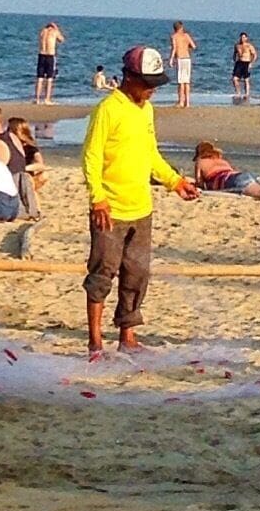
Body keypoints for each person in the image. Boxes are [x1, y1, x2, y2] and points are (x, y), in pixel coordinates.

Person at [79, 45, 199, 358]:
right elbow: (91, 156)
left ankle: (127, 336)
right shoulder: (108, 109)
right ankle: (95, 343)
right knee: (102, 274)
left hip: (141, 208)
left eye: (155, 85)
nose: (151, 91)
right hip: (110, 209)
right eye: (147, 84)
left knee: (137, 274)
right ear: (129, 77)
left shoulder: (146, 110)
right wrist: (98, 198)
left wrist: (175, 181)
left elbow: (150, 155)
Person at [192, 141, 260, 202]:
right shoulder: (222, 160)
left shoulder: (200, 161)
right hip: (240, 175)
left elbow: (199, 182)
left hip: (232, 180)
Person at [6, 114, 46, 220]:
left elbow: (40, 164)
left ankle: (36, 210)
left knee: (33, 179)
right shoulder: (6, 146)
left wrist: (23, 168)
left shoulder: (29, 147)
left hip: (25, 175)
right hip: (12, 176)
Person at [34, 22, 65, 104]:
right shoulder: (54, 32)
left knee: (39, 78)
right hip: (50, 56)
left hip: (41, 55)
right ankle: (47, 99)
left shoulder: (42, 31)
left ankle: (37, 99)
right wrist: (57, 29)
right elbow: (61, 40)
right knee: (49, 79)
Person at [169, 21, 198, 109]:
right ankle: (188, 102)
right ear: (181, 27)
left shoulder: (174, 36)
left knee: (181, 82)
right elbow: (194, 46)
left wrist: (171, 59)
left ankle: (181, 101)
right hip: (187, 58)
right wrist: (186, 46)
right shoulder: (186, 36)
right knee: (187, 82)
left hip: (180, 59)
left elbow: (174, 48)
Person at [231, 32, 258, 103]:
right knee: (235, 79)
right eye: (241, 37)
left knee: (246, 80)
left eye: (244, 37)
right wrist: (234, 60)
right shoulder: (237, 45)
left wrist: (251, 63)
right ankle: (238, 93)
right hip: (239, 63)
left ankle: (247, 94)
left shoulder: (249, 46)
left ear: (246, 38)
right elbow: (234, 53)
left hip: (246, 63)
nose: (242, 39)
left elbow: (255, 55)